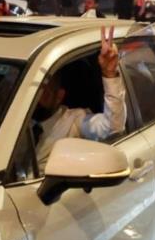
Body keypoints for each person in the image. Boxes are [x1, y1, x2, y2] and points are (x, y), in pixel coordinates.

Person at [32, 27, 126, 170]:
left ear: (59, 96)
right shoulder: (18, 120)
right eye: (35, 92)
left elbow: (112, 127)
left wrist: (109, 73)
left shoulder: (74, 120)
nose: (37, 99)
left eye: (44, 92)